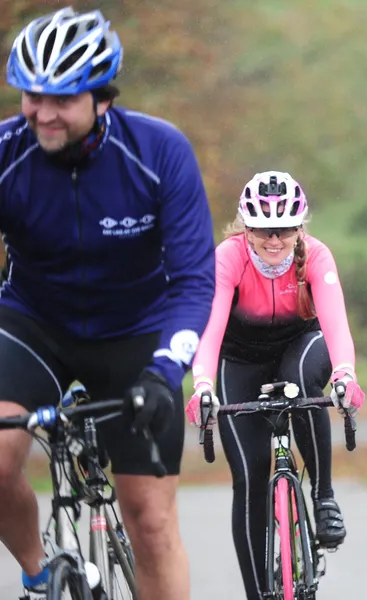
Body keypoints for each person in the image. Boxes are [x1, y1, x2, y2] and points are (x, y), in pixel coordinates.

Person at [1, 7, 215, 599]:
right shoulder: (6, 153)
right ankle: (40, 572)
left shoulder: (159, 151)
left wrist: (164, 370)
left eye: (61, 100)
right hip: (33, 323)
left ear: (102, 99)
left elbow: (195, 279)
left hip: (138, 334)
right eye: (31, 97)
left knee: (150, 519)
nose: (41, 114)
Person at [186, 170, 365, 600]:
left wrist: (345, 375)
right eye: (263, 230)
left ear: (299, 227)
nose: (273, 240)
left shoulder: (315, 256)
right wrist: (203, 384)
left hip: (300, 346)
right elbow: (209, 329)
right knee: (248, 478)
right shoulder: (228, 258)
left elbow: (337, 324)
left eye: (284, 230)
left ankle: (322, 497)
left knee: (300, 379)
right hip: (239, 359)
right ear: (245, 227)